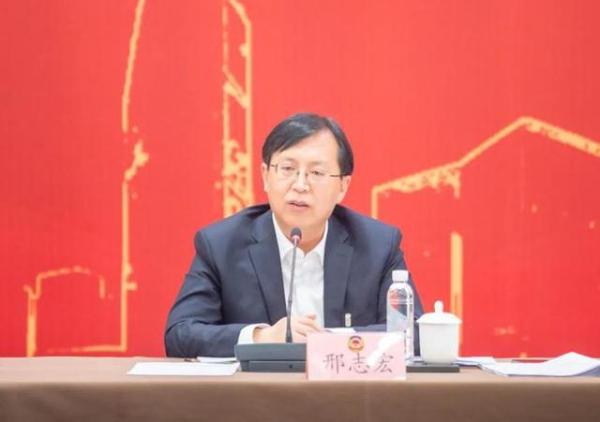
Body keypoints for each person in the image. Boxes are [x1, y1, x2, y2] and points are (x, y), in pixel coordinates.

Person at [164, 112, 423, 357]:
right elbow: (180, 335)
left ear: (343, 186)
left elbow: (413, 333)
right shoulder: (221, 245)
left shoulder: (378, 245)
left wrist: (329, 341)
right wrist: (261, 337)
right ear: (266, 176)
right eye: (287, 169)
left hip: (345, 389)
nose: (300, 185)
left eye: (316, 173)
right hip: (259, 390)